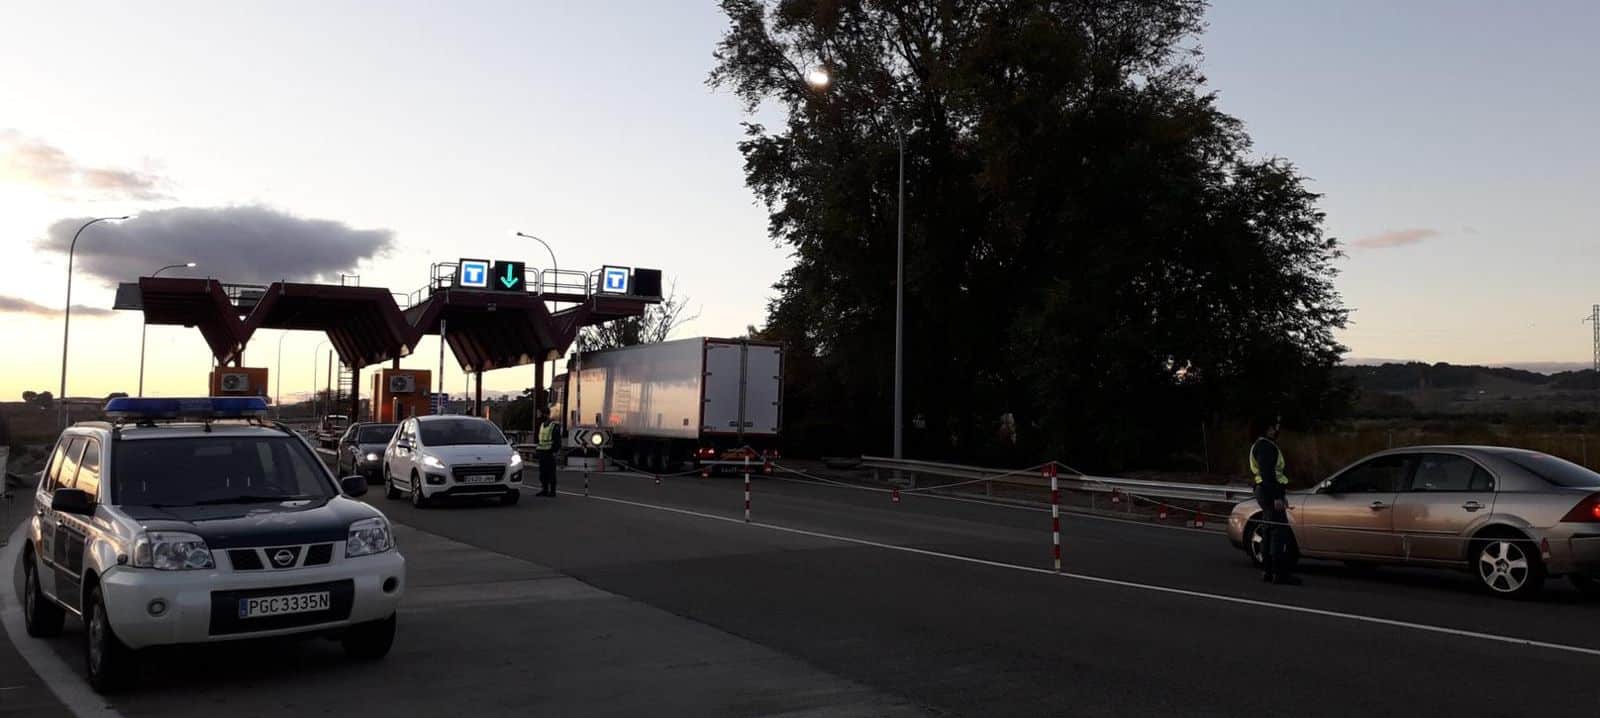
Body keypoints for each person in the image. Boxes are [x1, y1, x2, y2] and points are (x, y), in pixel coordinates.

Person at [1250, 415, 1300, 585]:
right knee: (1278, 532)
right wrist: (1277, 497)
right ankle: (1279, 573)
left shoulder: (1261, 444)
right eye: (1273, 427)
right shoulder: (1266, 446)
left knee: (1269, 530)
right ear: (1266, 428)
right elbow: (1268, 475)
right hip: (1269, 491)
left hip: (1264, 490)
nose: (1276, 430)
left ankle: (1268, 571)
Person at [535, 408, 561, 497]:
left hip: (550, 453)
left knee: (551, 472)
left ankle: (552, 491)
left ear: (545, 414)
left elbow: (557, 441)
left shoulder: (554, 426)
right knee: (543, 472)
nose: (539, 416)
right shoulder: (542, 425)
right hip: (542, 452)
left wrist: (555, 451)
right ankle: (544, 489)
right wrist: (538, 450)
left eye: (540, 414)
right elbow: (540, 440)